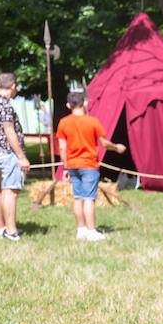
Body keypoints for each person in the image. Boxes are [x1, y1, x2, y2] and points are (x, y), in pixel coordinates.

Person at [56, 90, 126, 240]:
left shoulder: (63, 123)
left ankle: (80, 229)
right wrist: (117, 147)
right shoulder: (93, 121)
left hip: (73, 165)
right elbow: (104, 143)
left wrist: (65, 167)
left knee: (78, 198)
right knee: (89, 198)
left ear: (68, 105)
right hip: (89, 165)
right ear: (85, 104)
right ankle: (91, 231)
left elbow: (62, 147)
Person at [0, 73, 30, 241]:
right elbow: (9, 131)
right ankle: (11, 231)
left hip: (2, 151)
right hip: (10, 153)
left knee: (6, 190)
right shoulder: (4, 105)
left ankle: (7, 228)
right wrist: (21, 156)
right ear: (13, 86)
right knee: (11, 191)